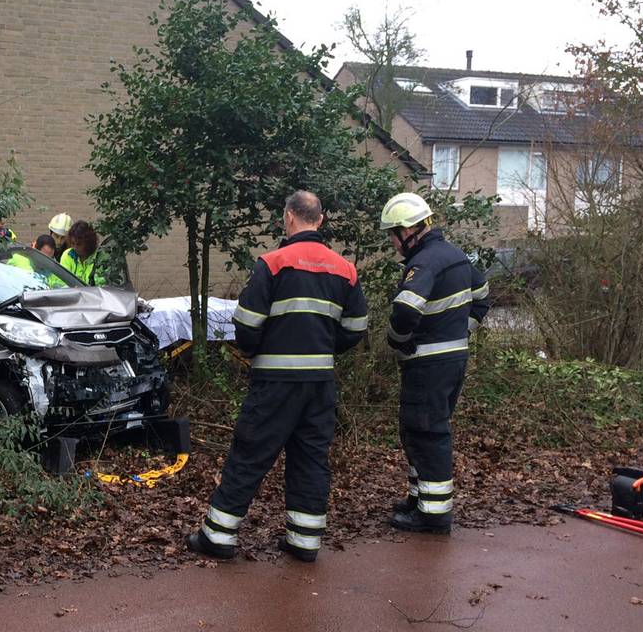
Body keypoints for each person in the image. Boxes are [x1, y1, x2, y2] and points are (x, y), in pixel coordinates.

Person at [187, 191, 368, 563]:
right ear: (320, 219)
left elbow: (246, 325)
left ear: (288, 217)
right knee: (311, 458)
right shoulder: (345, 270)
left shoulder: (272, 263)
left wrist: (259, 349)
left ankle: (219, 536)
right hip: (320, 384)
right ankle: (304, 541)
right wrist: (324, 348)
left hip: (275, 382)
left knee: (250, 453)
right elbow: (355, 329)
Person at [379, 192, 490, 534]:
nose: (393, 243)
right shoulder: (456, 256)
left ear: (408, 230)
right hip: (452, 362)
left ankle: (433, 513)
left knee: (427, 432)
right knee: (417, 430)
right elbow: (482, 299)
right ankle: (419, 497)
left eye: (392, 235)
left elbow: (406, 309)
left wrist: (398, 341)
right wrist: (459, 334)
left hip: (427, 364)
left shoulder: (424, 262)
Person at [59, 220, 106, 286]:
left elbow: (102, 284)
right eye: (72, 243)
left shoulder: (100, 257)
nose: (75, 247)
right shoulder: (67, 255)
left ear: (88, 243)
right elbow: (61, 281)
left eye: (79, 244)